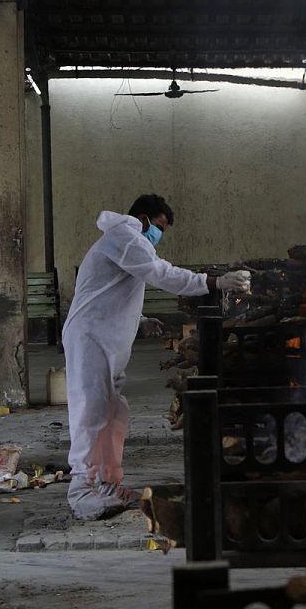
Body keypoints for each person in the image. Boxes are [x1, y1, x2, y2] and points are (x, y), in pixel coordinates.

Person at [63, 195, 252, 519]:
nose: (159, 236)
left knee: (114, 412)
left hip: (104, 338)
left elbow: (106, 291)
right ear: (145, 219)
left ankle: (107, 484)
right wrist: (211, 281)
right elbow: (159, 273)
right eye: (160, 227)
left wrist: (139, 319)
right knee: (91, 412)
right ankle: (81, 491)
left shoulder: (125, 242)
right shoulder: (126, 235)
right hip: (91, 338)